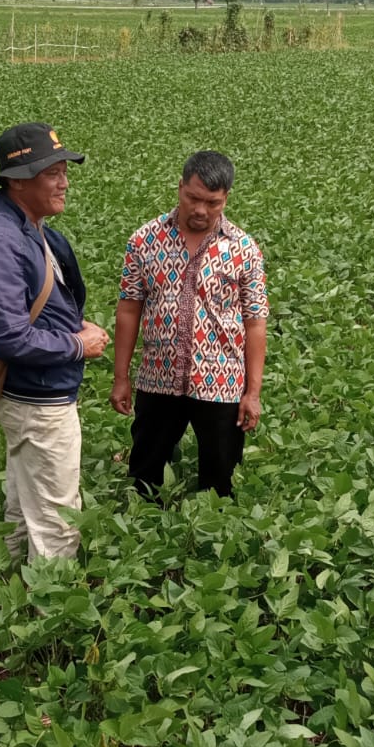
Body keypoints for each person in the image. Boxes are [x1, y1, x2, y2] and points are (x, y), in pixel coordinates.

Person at [0, 123, 108, 561]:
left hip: (39, 392)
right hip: (36, 398)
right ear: (18, 180)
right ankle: (51, 612)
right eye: (53, 173)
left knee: (25, 503)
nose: (64, 182)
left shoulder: (26, 224)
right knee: (58, 518)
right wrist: (79, 344)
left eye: (65, 171)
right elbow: (10, 337)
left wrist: (76, 328)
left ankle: (10, 585)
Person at [110, 151, 269, 498]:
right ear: (180, 187)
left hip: (222, 381)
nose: (200, 210)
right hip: (157, 377)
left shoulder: (244, 249)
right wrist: (121, 378)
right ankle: (145, 538)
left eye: (211, 202)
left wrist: (252, 393)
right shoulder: (144, 241)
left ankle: (213, 543)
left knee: (220, 478)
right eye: (192, 198)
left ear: (226, 197)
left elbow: (255, 322)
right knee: (145, 475)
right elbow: (128, 310)